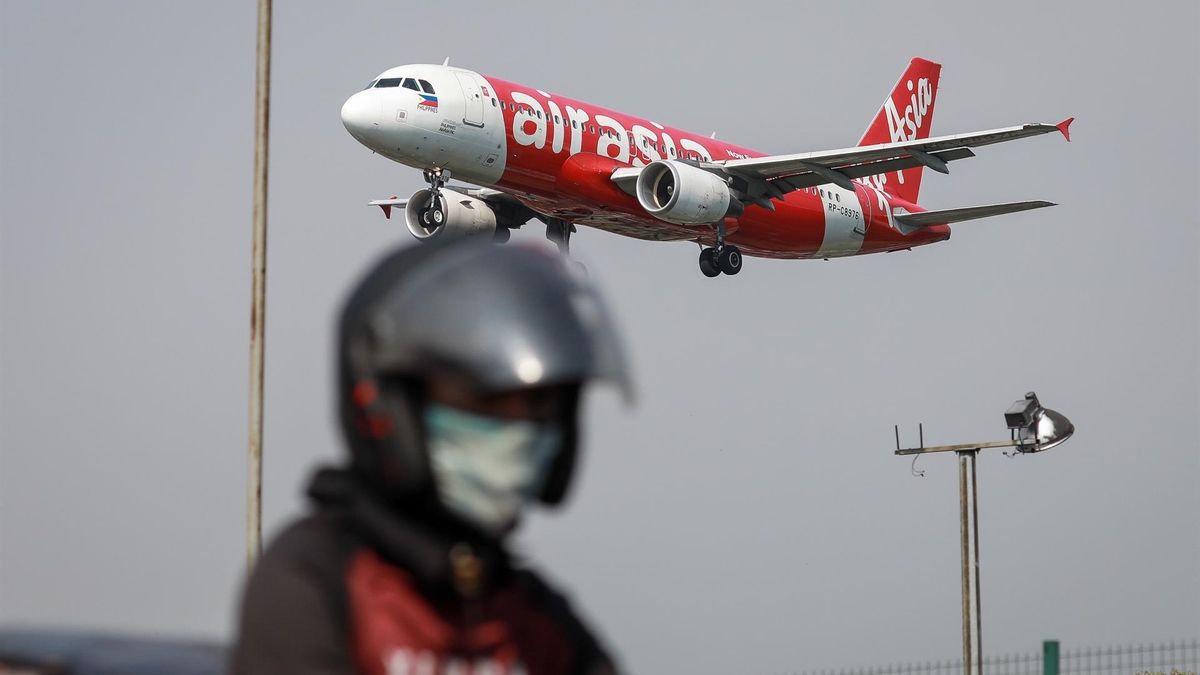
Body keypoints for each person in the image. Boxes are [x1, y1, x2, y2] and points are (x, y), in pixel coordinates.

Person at [232, 241, 631, 675]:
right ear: (390, 405)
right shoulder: (317, 582)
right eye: (486, 400)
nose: (520, 432)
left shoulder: (534, 618)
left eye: (541, 406)